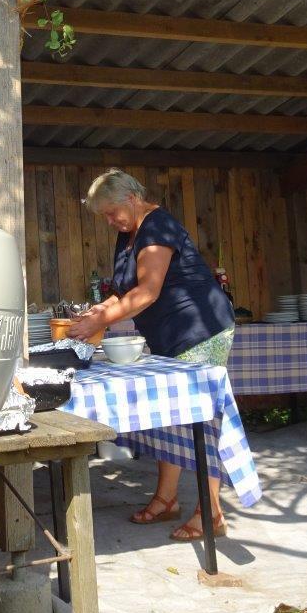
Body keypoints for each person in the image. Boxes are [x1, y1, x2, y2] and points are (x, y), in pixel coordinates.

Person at [69, 168, 235, 541]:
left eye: (111, 213)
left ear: (131, 198)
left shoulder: (158, 226)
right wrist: (97, 312)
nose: (110, 221)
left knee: (201, 418)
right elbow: (123, 291)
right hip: (170, 334)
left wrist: (101, 321)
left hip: (200, 328)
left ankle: (211, 513)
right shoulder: (128, 235)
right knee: (171, 416)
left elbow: (147, 291)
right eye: (105, 216)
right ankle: (166, 499)